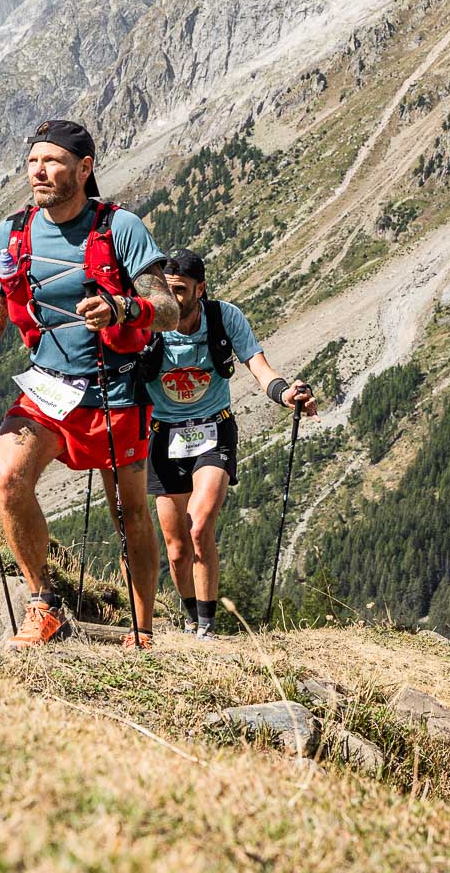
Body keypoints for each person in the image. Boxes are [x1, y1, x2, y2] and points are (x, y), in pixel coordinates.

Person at [0, 120, 180, 649]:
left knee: (130, 513)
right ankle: (43, 603)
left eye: (51, 161)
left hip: (117, 393)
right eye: (32, 162)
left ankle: (141, 630)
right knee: (9, 479)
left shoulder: (121, 227)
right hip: (47, 389)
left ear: (84, 168)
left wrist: (122, 308)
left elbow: (167, 308)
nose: (38, 172)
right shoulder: (13, 231)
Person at [142, 248, 317, 638]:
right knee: (176, 548)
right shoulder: (148, 322)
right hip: (164, 435)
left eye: (181, 290)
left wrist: (286, 394)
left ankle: (206, 627)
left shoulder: (224, 318)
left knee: (199, 527)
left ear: (200, 288)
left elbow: (258, 365)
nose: (173, 299)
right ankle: (191, 618)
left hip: (213, 430)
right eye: (167, 290)